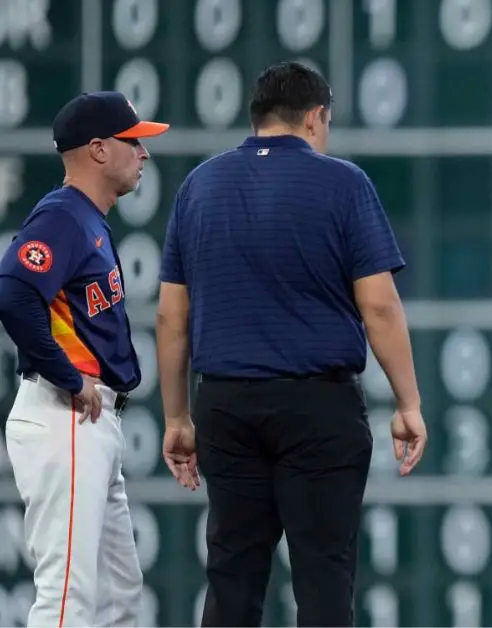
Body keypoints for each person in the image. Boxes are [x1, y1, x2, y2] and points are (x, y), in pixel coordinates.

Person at [154, 61, 426, 626]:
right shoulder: (344, 183)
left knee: (232, 577)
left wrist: (177, 417)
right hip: (318, 407)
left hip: (225, 405)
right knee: (324, 577)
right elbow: (379, 305)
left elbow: (170, 316)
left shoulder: (199, 185)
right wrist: (408, 404)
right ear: (315, 118)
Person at [0, 91, 169, 626]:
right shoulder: (65, 217)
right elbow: (11, 292)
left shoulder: (87, 219)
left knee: (119, 596)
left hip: (86, 421)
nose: (143, 154)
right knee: (68, 597)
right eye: (133, 142)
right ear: (98, 150)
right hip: (64, 415)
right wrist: (68, 375)